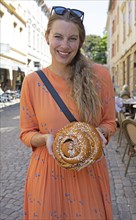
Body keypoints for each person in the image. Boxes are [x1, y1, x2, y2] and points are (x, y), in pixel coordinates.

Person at [20, 6, 116, 220]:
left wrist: (96, 133)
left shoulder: (100, 76)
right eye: (58, 37)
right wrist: (45, 138)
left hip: (88, 173)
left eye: (72, 38)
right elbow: (26, 133)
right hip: (47, 174)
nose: (64, 45)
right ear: (47, 37)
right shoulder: (32, 82)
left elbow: (110, 122)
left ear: (80, 42)